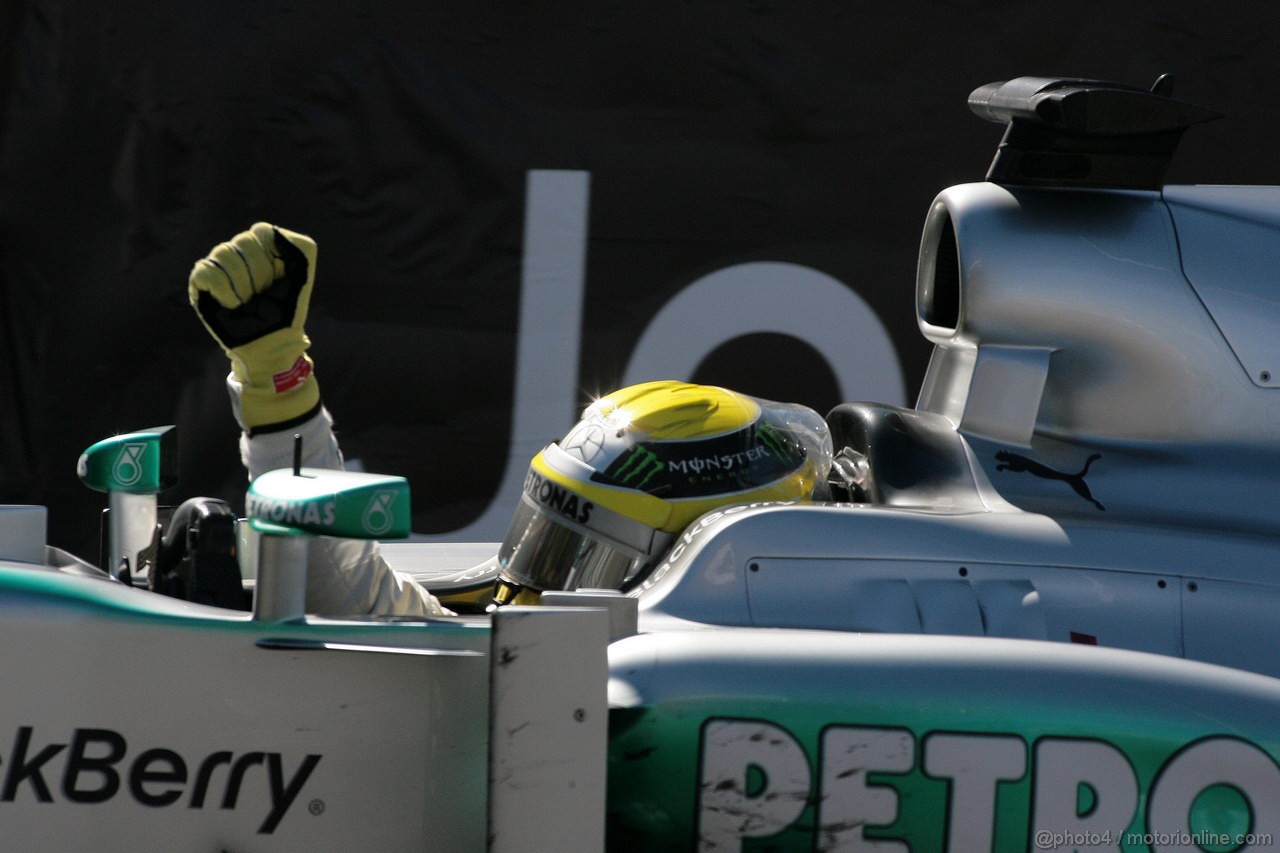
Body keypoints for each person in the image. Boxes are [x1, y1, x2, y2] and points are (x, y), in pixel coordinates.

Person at [189, 223, 832, 616]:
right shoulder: (524, 647)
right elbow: (348, 600)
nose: (523, 592)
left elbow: (346, 602)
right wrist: (276, 381)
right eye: (549, 540)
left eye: (585, 559)